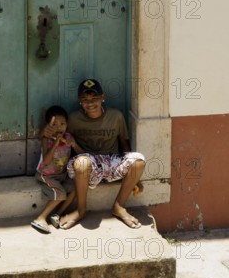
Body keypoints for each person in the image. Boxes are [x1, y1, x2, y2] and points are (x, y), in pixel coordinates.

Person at [42, 79, 146, 230]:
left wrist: (134, 176)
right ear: (79, 101)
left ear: (103, 97)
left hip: (110, 161)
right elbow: (51, 132)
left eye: (94, 99)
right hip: (86, 162)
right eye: (85, 100)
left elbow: (124, 143)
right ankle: (80, 209)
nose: (90, 103)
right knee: (83, 162)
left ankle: (119, 206)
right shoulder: (73, 119)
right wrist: (44, 134)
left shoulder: (116, 116)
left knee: (139, 161)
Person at [31, 105, 84, 234]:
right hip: (46, 174)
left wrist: (74, 144)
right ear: (48, 126)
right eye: (55, 124)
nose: (59, 127)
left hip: (62, 174)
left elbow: (82, 154)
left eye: (62, 124)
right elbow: (47, 161)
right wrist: (56, 143)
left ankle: (57, 214)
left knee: (76, 188)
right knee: (60, 193)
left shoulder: (69, 137)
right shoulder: (46, 139)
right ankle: (40, 218)